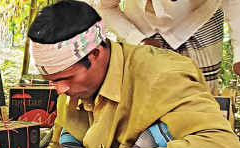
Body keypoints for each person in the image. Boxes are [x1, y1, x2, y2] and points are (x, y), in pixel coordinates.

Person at [0, 0, 240, 148]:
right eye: (51, 80)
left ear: (95, 53)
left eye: (67, 78)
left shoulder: (162, 75)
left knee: (158, 138)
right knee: (69, 139)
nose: (60, 90)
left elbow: (224, 147)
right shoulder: (72, 89)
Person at [95, 0, 240, 93]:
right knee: (141, 101)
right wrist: (136, 39)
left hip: (200, 21)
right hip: (140, 26)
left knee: (200, 99)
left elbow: (234, 4)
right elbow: (106, 7)